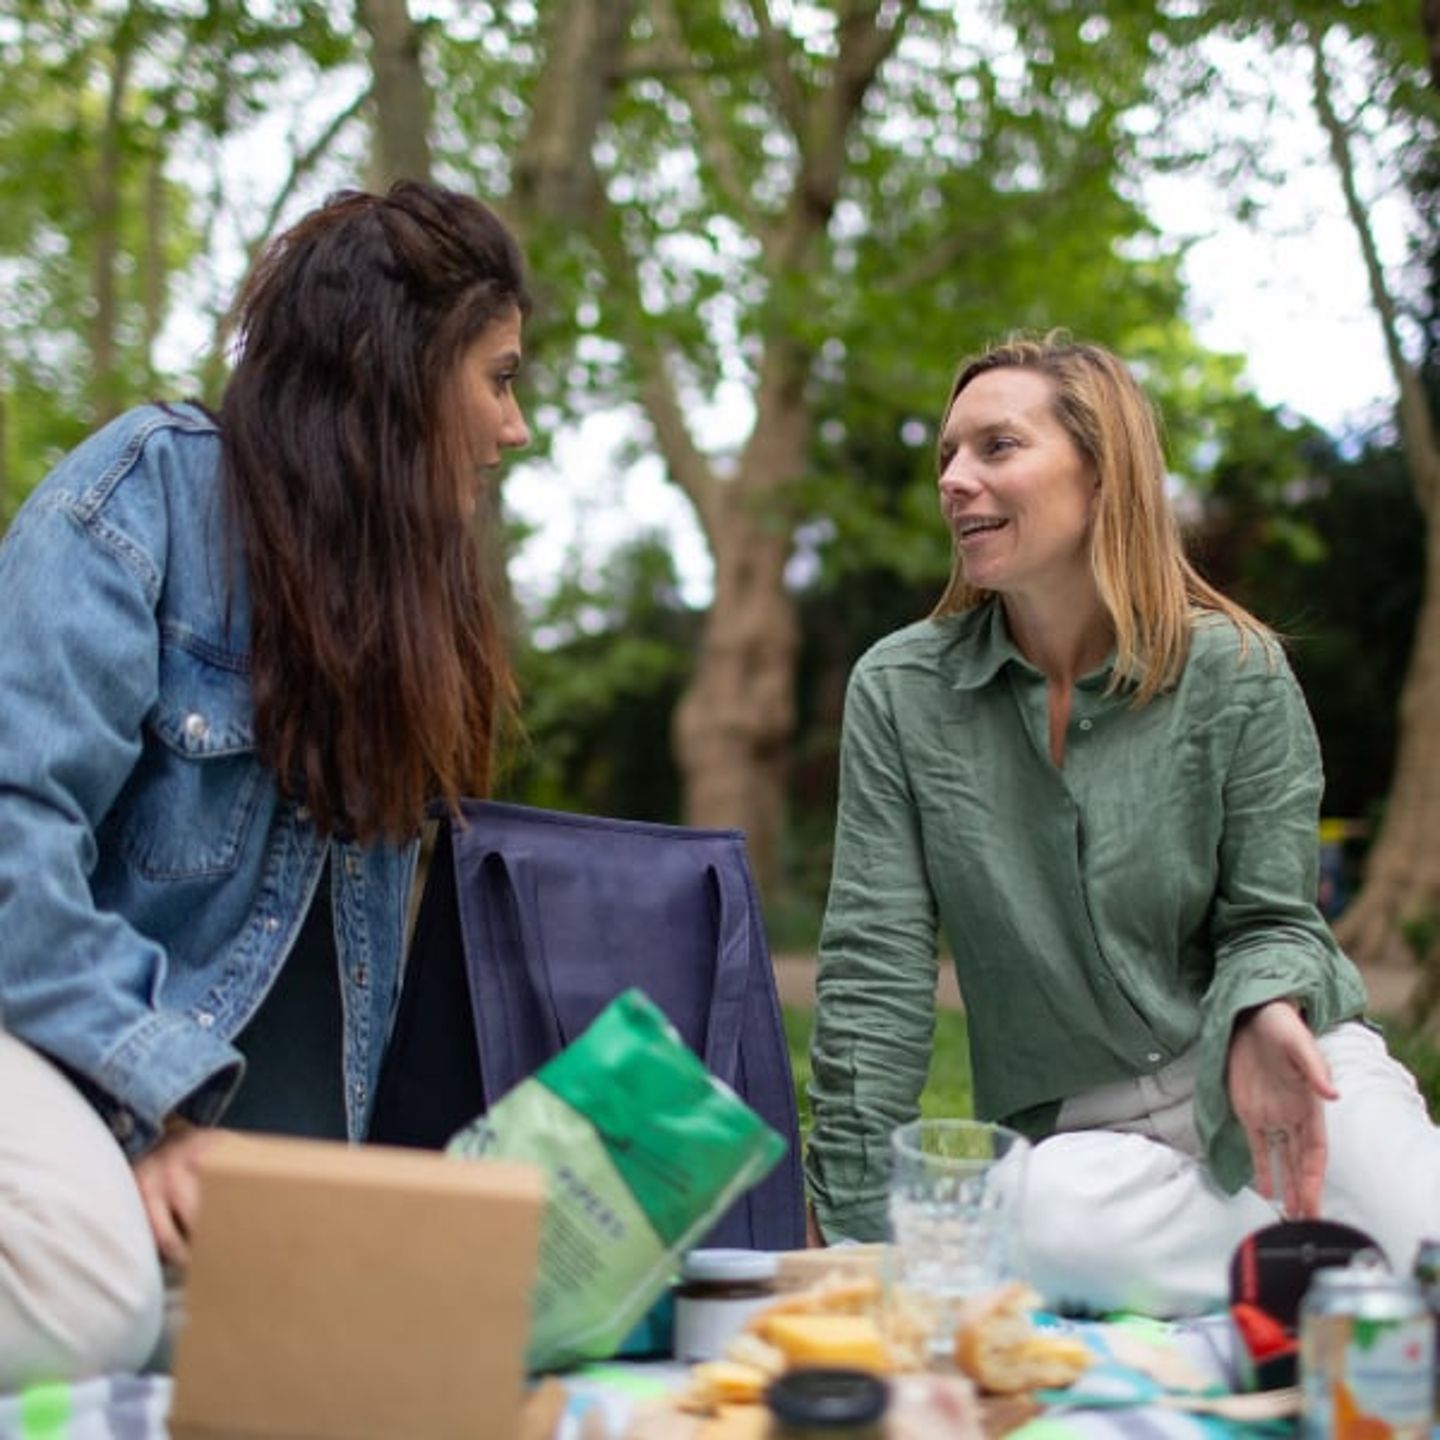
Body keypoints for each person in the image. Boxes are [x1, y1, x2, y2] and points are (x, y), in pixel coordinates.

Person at [0, 179, 531, 1386]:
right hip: (58, 1064)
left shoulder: (407, 614)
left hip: (222, 1174)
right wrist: (157, 1115)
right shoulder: (140, 499)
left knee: (404, 1352)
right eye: (499, 378)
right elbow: (8, 835)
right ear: (398, 368)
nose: (517, 427)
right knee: (87, 1302)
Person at [804, 333, 1440, 1316]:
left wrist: (1268, 1008)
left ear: (1104, 475)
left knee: (1426, 1227)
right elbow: (875, 970)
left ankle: (1358, 1248)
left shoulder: (1240, 674)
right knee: (1036, 1217)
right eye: (947, 457)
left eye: (997, 447)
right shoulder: (901, 692)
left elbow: (1274, 922)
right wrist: (852, 1228)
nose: (956, 481)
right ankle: (1337, 1266)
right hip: (1083, 1130)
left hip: (1264, 1055)